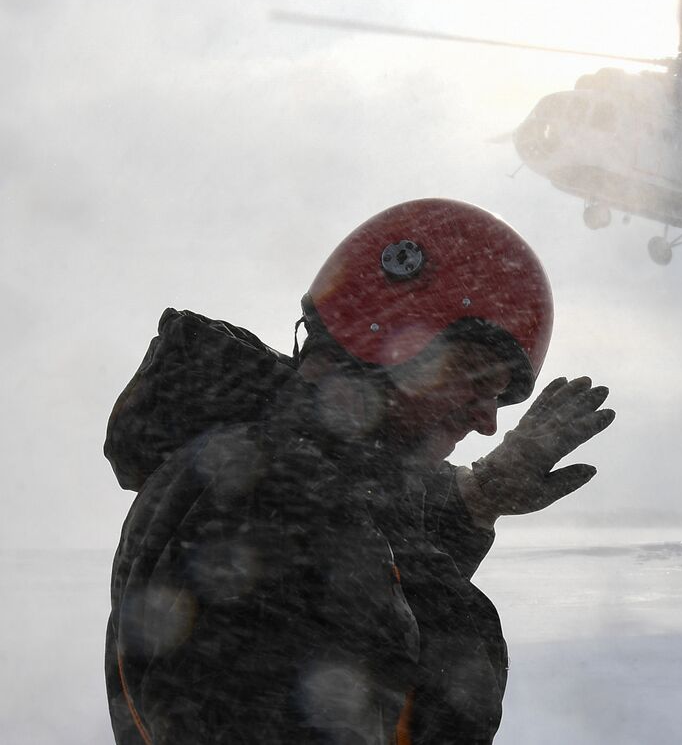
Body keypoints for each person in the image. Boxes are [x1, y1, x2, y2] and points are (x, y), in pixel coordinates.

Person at [104, 198, 614, 744]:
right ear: (388, 335)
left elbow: (369, 595)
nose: (488, 422)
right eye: (477, 378)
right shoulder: (261, 497)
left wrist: (476, 498)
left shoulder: (297, 480)